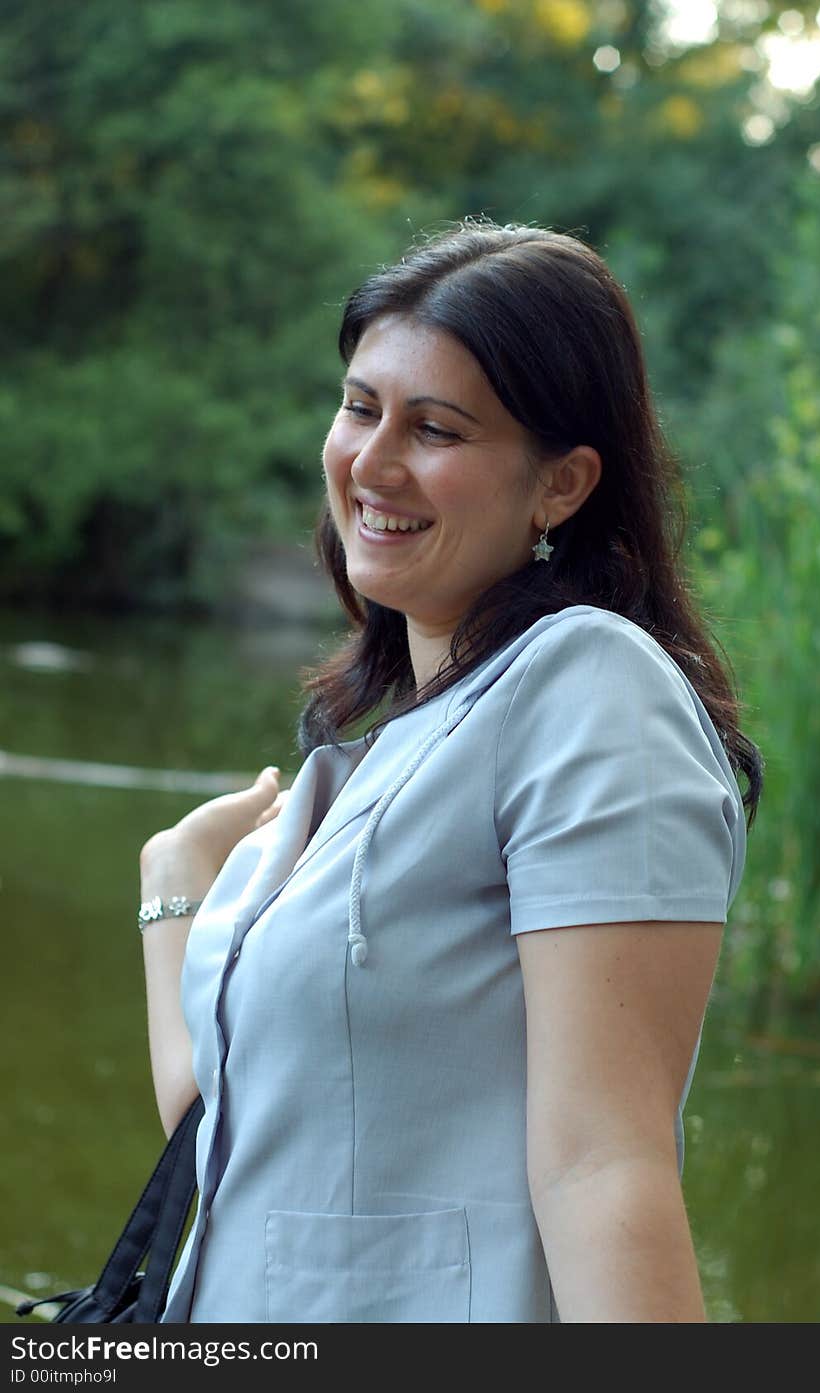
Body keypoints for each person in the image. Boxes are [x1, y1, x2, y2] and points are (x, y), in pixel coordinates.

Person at [140, 218, 763, 1324]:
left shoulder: (586, 686)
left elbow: (604, 1167)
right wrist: (175, 882)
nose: (371, 463)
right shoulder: (368, 764)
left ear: (561, 485)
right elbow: (230, 1149)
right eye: (359, 405)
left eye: (435, 428)